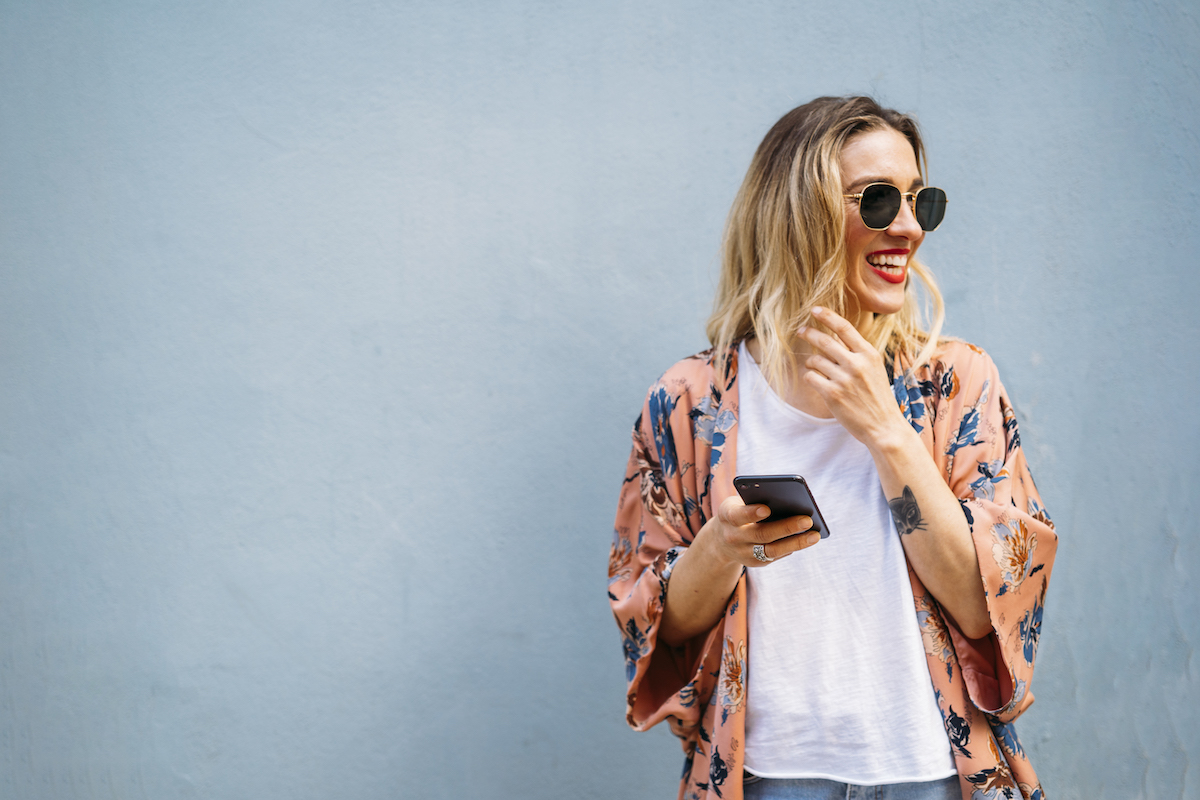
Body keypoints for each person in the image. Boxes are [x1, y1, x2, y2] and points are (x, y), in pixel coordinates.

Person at [608, 96, 1056, 800]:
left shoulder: (956, 385)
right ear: (795, 215)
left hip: (931, 773)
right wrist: (721, 549)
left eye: (920, 201)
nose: (908, 227)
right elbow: (655, 624)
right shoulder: (690, 401)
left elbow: (987, 606)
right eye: (876, 201)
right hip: (768, 776)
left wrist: (885, 430)